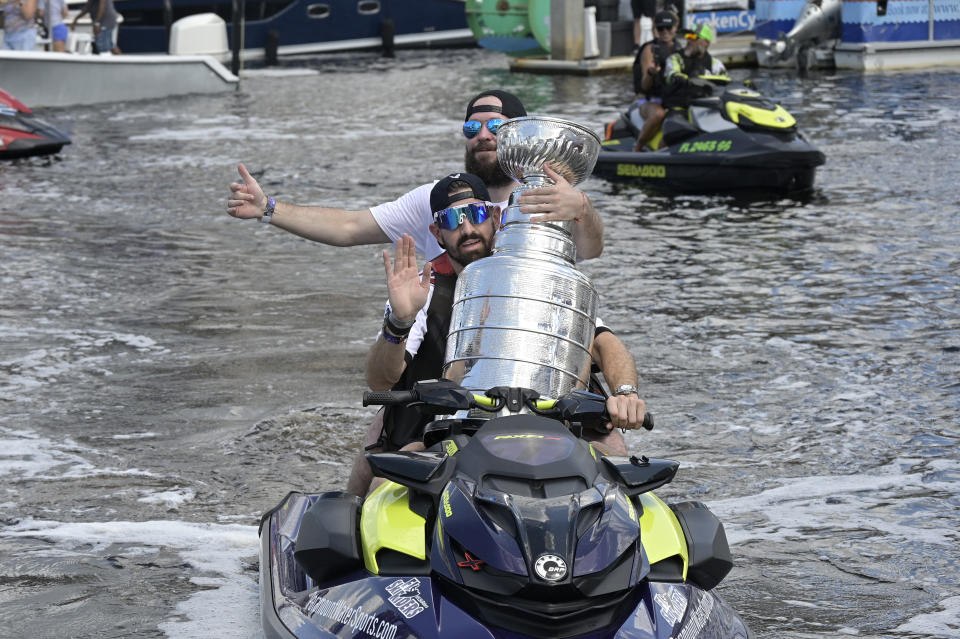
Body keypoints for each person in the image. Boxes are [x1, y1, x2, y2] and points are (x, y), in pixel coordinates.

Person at [349, 173, 647, 496]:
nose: (466, 229)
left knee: (615, 449)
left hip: (543, 427)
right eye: (452, 219)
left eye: (475, 214)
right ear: (437, 233)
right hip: (451, 432)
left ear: (494, 216)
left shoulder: (535, 277)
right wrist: (399, 321)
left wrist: (626, 393)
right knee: (380, 479)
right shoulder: (423, 288)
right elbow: (379, 381)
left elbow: (603, 342)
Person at [226, 90, 604, 262]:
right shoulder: (435, 200)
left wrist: (582, 209)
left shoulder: (548, 197)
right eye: (472, 129)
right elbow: (349, 228)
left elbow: (590, 251)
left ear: (519, 134)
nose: (483, 136)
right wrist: (268, 208)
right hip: (447, 332)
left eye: (495, 127)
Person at [631, 9, 682, 152]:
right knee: (659, 114)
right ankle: (638, 147)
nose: (665, 31)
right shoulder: (649, 50)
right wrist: (651, 73)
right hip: (648, 101)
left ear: (675, 28)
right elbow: (644, 86)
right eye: (660, 28)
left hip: (671, 99)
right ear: (655, 29)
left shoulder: (679, 49)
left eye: (668, 27)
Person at [663, 23, 728, 111]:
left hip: (706, 107)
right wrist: (678, 76)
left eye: (694, 37)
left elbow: (725, 82)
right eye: (688, 36)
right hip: (679, 106)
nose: (689, 41)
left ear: (706, 43)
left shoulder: (715, 64)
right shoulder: (675, 58)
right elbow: (671, 73)